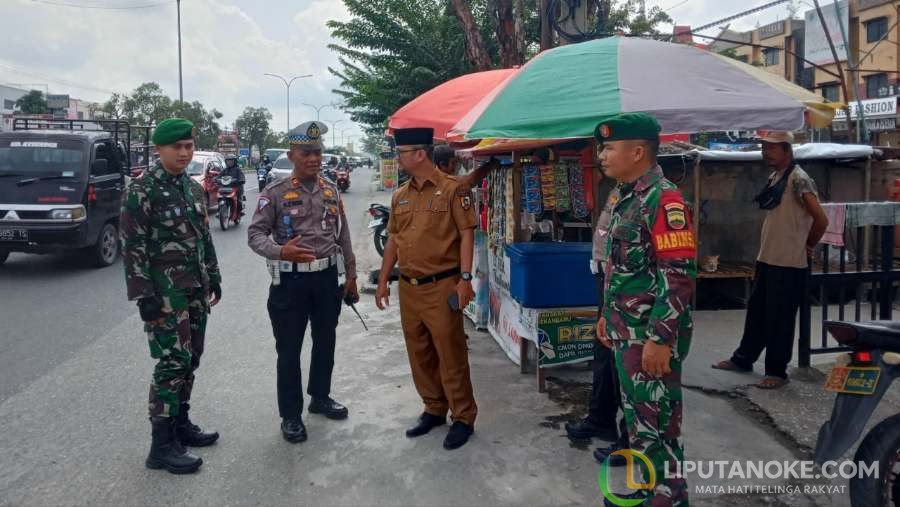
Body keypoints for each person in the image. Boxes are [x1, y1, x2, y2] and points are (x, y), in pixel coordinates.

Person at [595, 113, 695, 506]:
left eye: (609, 148)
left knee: (657, 426)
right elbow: (620, 267)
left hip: (649, 338)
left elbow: (679, 275)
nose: (602, 155)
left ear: (637, 152)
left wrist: (660, 338)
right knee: (641, 424)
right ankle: (652, 491)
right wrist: (608, 314)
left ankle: (667, 498)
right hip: (627, 331)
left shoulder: (663, 199)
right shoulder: (628, 196)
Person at [120, 118, 222, 475]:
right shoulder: (141, 190)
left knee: (191, 358)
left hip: (194, 288)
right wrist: (142, 295)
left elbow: (204, 238)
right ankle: (160, 446)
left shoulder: (191, 188)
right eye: (176, 147)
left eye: (189, 146)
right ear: (158, 149)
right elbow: (132, 246)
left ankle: (180, 425)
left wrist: (214, 276)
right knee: (171, 363)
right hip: (164, 295)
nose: (184, 153)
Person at [247, 120, 358, 444]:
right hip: (290, 283)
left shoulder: (331, 189)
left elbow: (344, 235)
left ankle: (320, 397)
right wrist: (282, 251)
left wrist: (350, 275)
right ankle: (291, 415)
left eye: (318, 152)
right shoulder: (275, 193)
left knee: (326, 341)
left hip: (326, 279)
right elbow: (254, 235)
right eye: (307, 152)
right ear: (292, 154)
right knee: (289, 349)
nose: (314, 158)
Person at [375, 127, 478, 450]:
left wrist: (465, 279)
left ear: (419, 154)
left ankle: (463, 417)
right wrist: (382, 280)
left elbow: (466, 234)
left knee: (450, 353)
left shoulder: (453, 190)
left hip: (442, 284)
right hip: (410, 288)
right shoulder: (400, 195)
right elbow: (394, 239)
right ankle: (434, 408)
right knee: (419, 352)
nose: (398, 158)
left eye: (401, 153)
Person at [713, 131, 828, 389]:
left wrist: (808, 245)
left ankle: (777, 371)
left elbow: (821, 219)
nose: (766, 152)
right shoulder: (776, 176)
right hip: (768, 258)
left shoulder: (799, 178)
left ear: (787, 149)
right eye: (764, 147)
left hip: (789, 262)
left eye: (772, 148)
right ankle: (744, 358)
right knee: (757, 314)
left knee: (780, 319)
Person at [564, 187, 630, 466]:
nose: (603, 156)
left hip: (632, 295)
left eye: (610, 149)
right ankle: (601, 419)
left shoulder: (653, 198)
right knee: (603, 357)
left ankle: (632, 440)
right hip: (607, 282)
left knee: (627, 368)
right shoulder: (621, 191)